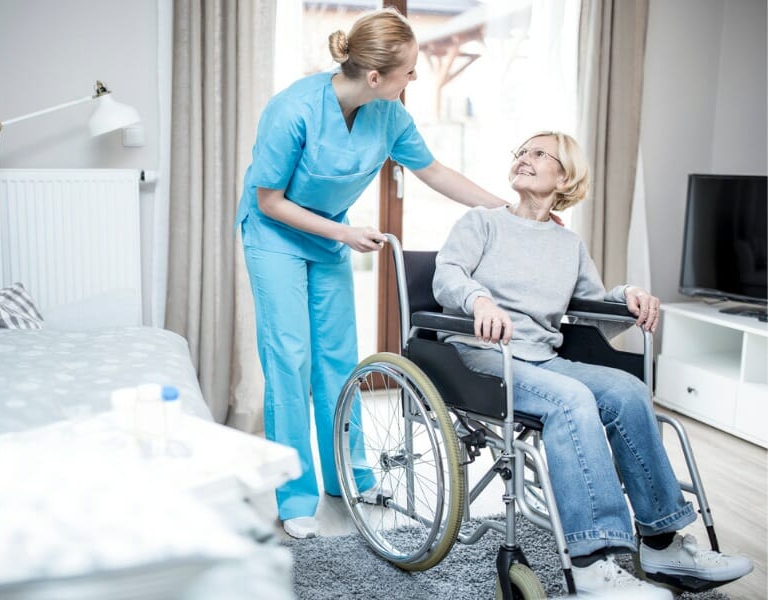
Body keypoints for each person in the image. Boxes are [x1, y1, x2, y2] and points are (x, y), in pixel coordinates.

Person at [432, 131, 753, 597]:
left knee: (627, 391)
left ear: (565, 176)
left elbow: (590, 308)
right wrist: (479, 300)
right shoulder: (481, 223)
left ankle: (662, 542)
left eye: (540, 154)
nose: (525, 157)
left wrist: (627, 296)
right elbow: (448, 275)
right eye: (521, 151)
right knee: (572, 400)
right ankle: (591, 565)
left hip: (542, 358)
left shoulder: (568, 244)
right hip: (479, 357)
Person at [236, 7, 506, 540]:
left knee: (338, 358)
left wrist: (505, 212)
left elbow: (435, 172)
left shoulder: (391, 116)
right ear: (376, 76)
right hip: (275, 237)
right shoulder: (292, 110)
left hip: (329, 236)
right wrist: (343, 234)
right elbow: (269, 201)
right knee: (290, 359)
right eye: (409, 70)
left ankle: (350, 475)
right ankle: (295, 494)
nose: (416, 78)